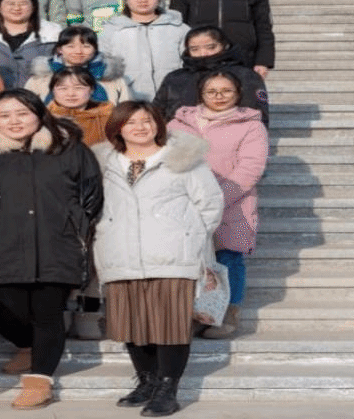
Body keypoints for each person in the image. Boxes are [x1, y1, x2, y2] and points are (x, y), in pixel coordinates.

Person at [93, 101, 223, 417]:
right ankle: (147, 381)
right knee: (131, 325)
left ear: (158, 124)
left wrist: (187, 236)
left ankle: (167, 389)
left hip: (172, 254)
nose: (140, 127)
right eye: (131, 122)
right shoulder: (103, 163)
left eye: (147, 120)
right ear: (117, 128)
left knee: (171, 326)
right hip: (119, 253)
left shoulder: (183, 160)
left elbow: (210, 204)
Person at [0, 89, 103, 409]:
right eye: (4, 115)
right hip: (1, 244)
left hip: (57, 242)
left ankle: (39, 381)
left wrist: (76, 224)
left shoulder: (68, 147)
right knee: (7, 313)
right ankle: (26, 346)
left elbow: (92, 193)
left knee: (48, 313)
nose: (14, 121)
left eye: (22, 113)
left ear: (39, 114)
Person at [167, 71, 269, 340]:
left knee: (228, 256)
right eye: (212, 91)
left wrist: (215, 199)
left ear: (238, 93)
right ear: (201, 94)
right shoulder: (178, 123)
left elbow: (250, 168)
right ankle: (195, 314)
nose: (219, 96)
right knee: (190, 259)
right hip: (185, 204)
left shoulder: (250, 125)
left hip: (233, 203)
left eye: (226, 91)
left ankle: (227, 314)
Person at [153, 26, 269, 126]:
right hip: (181, 138)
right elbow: (157, 113)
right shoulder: (175, 78)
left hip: (230, 138)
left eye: (210, 47)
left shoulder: (245, 75)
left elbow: (257, 115)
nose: (203, 53)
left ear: (224, 45)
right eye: (195, 49)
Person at [100, 0, 189, 101]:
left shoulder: (179, 28)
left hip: (174, 98)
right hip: (129, 100)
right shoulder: (111, 30)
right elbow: (103, 67)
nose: (143, 0)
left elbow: (189, 64)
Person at [23, 25, 130, 104]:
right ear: (59, 49)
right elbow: (27, 108)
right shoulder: (40, 78)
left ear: (95, 49)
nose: (78, 51)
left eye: (86, 46)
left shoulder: (111, 78)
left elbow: (125, 111)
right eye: (71, 46)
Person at [46, 67, 114, 146]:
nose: (71, 94)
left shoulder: (109, 118)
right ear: (53, 91)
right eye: (63, 88)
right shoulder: (43, 119)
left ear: (92, 90)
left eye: (78, 88)